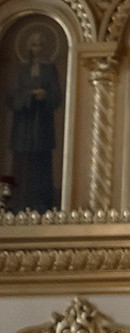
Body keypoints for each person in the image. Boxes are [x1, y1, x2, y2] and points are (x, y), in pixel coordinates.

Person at [9, 22, 63, 212]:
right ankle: (18, 203)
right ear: (28, 47)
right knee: (23, 164)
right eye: (34, 45)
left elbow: (57, 96)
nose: (37, 48)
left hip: (41, 125)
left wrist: (45, 95)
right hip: (24, 125)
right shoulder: (22, 70)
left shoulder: (50, 69)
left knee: (41, 165)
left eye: (40, 45)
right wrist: (30, 95)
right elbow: (13, 97)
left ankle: (41, 204)